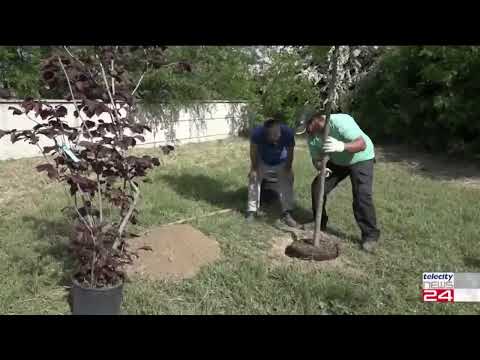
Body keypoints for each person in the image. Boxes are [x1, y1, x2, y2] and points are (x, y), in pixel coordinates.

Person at [307, 112, 380, 252]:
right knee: (317, 187)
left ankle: (370, 236)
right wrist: (321, 167)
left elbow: (361, 144)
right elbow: (316, 158)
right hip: (337, 161)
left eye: (309, 126)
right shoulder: (312, 134)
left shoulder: (340, 122)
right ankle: (319, 223)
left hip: (360, 158)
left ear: (318, 119)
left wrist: (341, 146)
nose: (309, 132)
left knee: (361, 195)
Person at [246, 118, 298, 227]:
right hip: (263, 160)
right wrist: (254, 169)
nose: (277, 137)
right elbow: (253, 151)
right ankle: (252, 210)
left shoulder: (287, 132)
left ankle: (287, 213)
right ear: (266, 133)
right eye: (273, 136)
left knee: (287, 180)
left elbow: (290, 152)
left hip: (281, 161)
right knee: (253, 178)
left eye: (278, 134)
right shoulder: (257, 133)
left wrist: (288, 168)